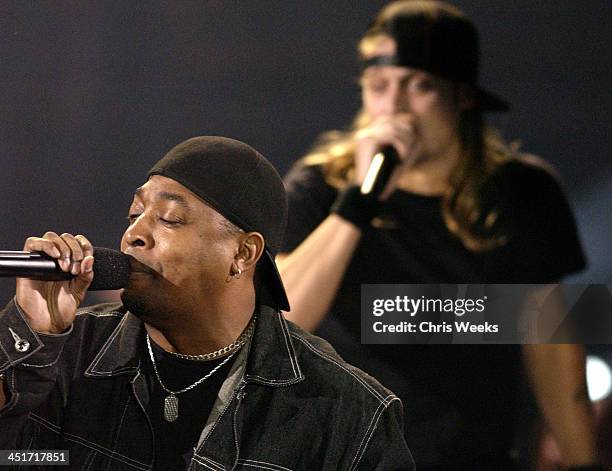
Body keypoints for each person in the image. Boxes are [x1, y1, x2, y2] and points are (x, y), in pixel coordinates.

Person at [278, 1, 601, 470]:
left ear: (463, 96)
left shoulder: (524, 192)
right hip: (347, 456)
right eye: (379, 86)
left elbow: (551, 339)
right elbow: (282, 324)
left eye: (421, 86)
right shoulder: (320, 187)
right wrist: (360, 203)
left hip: (474, 455)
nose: (395, 108)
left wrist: (582, 461)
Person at [0, 136, 414, 470]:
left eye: (169, 219)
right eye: (134, 214)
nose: (133, 236)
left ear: (243, 255)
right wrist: (30, 336)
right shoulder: (66, 353)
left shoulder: (347, 413)